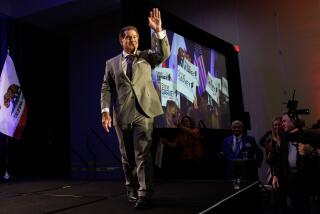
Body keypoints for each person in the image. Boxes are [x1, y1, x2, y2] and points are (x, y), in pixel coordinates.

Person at [100, 8, 170, 210]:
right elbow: (106, 87)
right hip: (122, 114)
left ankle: (144, 193)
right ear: (121, 40)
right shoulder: (111, 63)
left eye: (136, 38)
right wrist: (105, 111)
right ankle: (131, 188)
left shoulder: (147, 56)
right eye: (129, 38)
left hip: (144, 112)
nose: (133, 41)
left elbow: (164, 53)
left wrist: (158, 31)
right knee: (127, 156)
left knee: (143, 153)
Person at [272, 113, 320, 214]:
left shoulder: (308, 134)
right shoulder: (284, 137)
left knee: (307, 208)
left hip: (305, 180)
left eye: (284, 121)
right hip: (289, 179)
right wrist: (275, 175)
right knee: (291, 208)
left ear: (294, 121)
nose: (282, 124)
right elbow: (280, 158)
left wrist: (312, 150)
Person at [259, 116, 283, 184]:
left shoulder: (285, 138)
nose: (277, 126)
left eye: (279, 124)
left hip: (283, 168)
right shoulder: (270, 139)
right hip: (273, 168)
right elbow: (261, 141)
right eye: (275, 125)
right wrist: (269, 149)